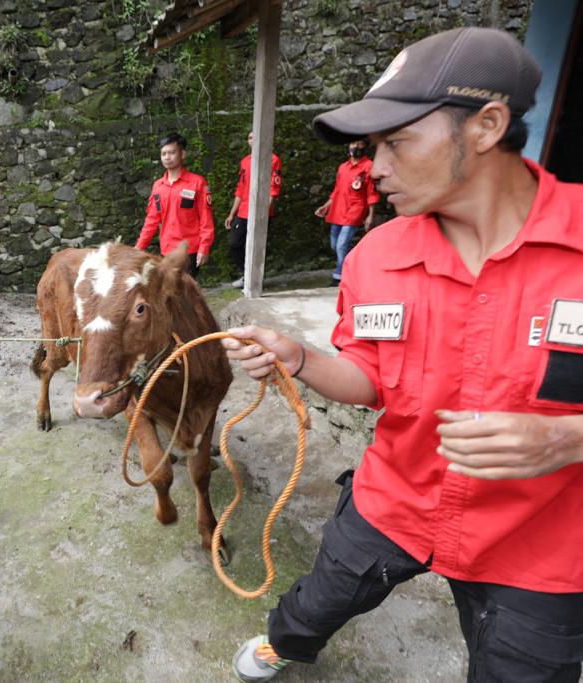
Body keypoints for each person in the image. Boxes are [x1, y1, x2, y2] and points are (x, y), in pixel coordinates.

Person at [223, 27, 583, 682]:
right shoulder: (375, 259)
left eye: (397, 142)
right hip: (395, 500)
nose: (375, 167)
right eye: (371, 148)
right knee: (320, 594)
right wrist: (298, 357)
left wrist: (572, 437)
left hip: (542, 544)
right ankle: (285, 642)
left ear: (486, 125)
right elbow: (370, 378)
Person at [135, 133, 214, 278]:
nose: (167, 157)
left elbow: (205, 219)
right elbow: (151, 221)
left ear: (182, 154)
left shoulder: (197, 183)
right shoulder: (158, 186)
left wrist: (205, 247)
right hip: (167, 251)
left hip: (189, 251)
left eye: (172, 152)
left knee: (180, 293)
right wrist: (138, 249)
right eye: (163, 153)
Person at [314, 138, 379, 285]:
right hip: (338, 209)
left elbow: (372, 192)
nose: (355, 147)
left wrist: (370, 215)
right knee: (334, 245)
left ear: (365, 147)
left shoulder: (369, 167)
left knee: (342, 245)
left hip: (355, 209)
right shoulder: (343, 167)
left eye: (359, 144)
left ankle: (339, 276)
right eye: (352, 143)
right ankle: (354, 266)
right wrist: (326, 206)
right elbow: (337, 190)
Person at [223, 130, 283, 288]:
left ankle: (254, 279)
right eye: (249, 138)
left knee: (257, 246)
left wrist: (263, 214)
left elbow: (273, 190)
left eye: (255, 137)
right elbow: (240, 189)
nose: (252, 140)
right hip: (243, 211)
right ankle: (247, 274)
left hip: (261, 213)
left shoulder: (273, 160)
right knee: (235, 244)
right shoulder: (245, 161)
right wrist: (231, 214)